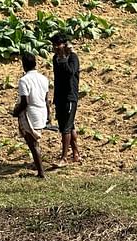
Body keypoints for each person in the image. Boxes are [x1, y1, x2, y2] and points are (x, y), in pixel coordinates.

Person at [12, 53, 50, 178]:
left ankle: (41, 172)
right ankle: (38, 165)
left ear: (24, 65)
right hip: (42, 112)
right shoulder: (44, 78)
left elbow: (24, 102)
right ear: (35, 64)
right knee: (34, 141)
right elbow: (46, 99)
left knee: (32, 144)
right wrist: (49, 115)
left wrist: (15, 112)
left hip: (31, 114)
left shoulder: (24, 80)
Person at [50, 33, 81, 165]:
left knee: (66, 128)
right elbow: (58, 78)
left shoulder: (73, 58)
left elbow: (70, 73)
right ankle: (76, 154)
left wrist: (64, 56)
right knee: (68, 125)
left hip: (69, 97)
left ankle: (64, 158)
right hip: (60, 97)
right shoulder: (55, 59)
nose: (56, 48)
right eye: (54, 45)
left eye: (59, 45)